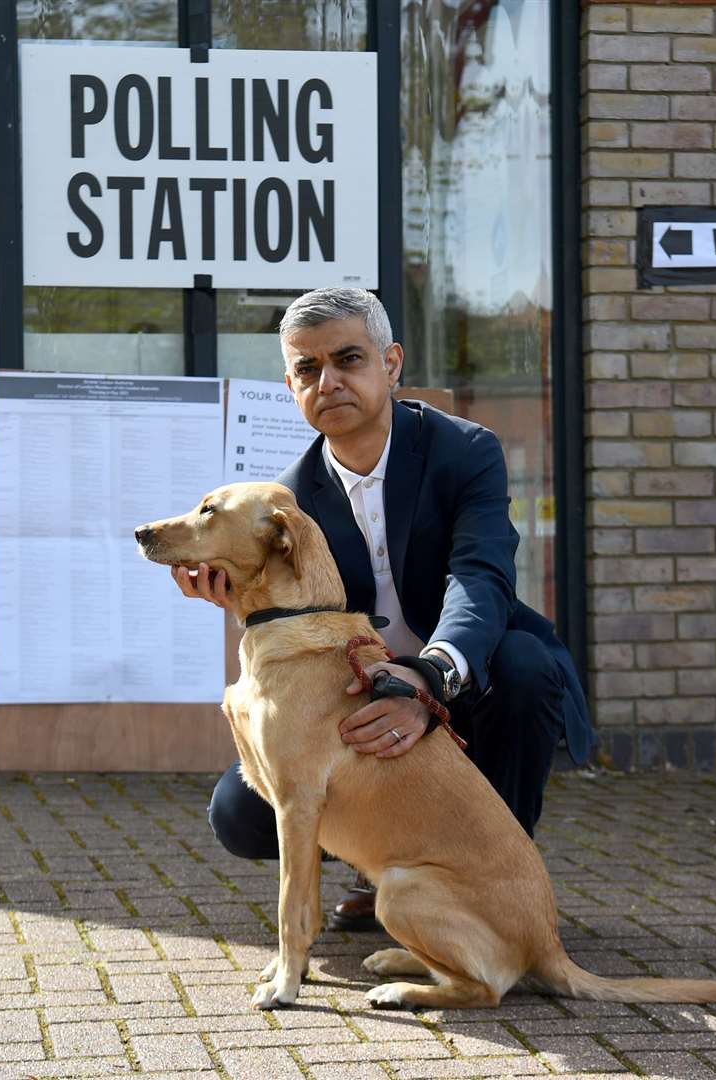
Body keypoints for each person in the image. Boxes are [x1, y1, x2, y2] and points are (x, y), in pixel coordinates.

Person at [173, 288, 592, 930]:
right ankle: (381, 872)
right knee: (238, 812)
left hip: (463, 675)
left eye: (348, 359)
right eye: (308, 369)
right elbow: (283, 609)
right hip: (353, 693)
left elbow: (480, 578)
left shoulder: (464, 450)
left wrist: (426, 678)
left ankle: (497, 884)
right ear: (290, 384)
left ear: (391, 364)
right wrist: (232, 593)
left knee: (526, 665)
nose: (329, 381)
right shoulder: (286, 499)